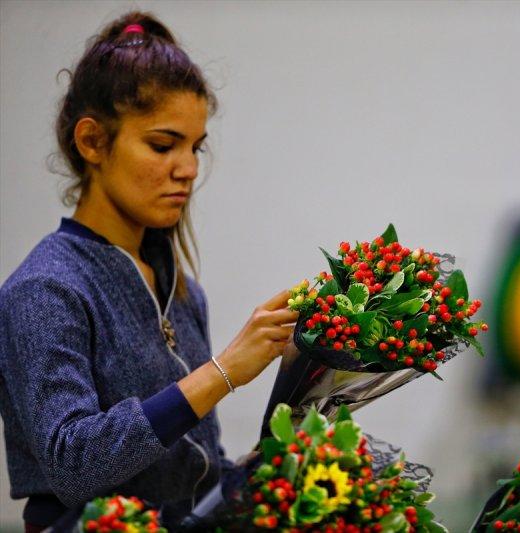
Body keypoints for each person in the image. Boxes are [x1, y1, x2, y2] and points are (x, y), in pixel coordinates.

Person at [0, 11, 299, 532]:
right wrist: (223, 372)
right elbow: (72, 467)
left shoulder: (183, 291)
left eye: (195, 146)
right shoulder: (45, 288)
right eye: (163, 145)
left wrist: (291, 463)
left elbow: (195, 474)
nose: (187, 168)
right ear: (92, 142)